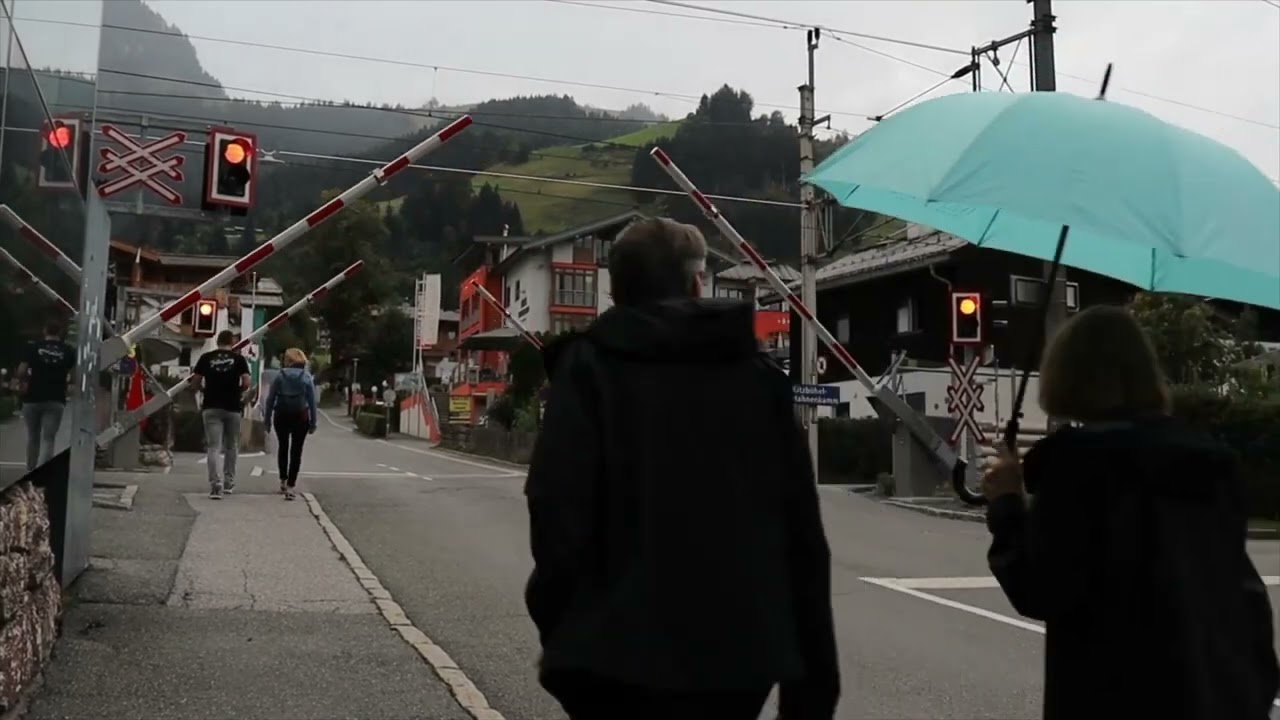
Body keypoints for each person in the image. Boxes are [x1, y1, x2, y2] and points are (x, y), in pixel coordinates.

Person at [524, 217, 839, 720]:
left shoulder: (587, 372)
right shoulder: (759, 382)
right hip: (738, 665)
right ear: (696, 283)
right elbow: (801, 541)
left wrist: (565, 636)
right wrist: (812, 691)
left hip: (610, 662)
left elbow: (556, 515)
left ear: (615, 290)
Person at [982, 305, 1279, 720]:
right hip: (1218, 696)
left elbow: (1042, 588)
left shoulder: (1076, 470)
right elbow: (1244, 596)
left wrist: (1007, 504)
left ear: (1065, 375)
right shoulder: (1209, 464)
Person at [191, 329, 251, 499]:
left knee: (213, 447)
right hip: (233, 407)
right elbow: (246, 382)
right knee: (231, 446)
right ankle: (229, 482)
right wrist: (237, 392)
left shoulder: (206, 358)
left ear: (217, 342)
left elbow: (195, 382)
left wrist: (205, 390)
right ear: (232, 342)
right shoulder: (239, 359)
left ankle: (215, 484)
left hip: (211, 406)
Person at [16, 320, 75, 470]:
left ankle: (30, 469)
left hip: (32, 398)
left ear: (45, 331)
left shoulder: (33, 347)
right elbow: (73, 374)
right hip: (56, 398)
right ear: (60, 333)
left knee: (33, 436)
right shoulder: (67, 350)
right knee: (49, 438)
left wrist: (23, 382)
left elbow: (22, 371)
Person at [264, 347, 317, 501]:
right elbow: (312, 402)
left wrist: (267, 420)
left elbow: (270, 399)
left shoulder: (279, 376)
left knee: (283, 447)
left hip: (281, 415)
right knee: (296, 450)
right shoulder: (306, 377)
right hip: (301, 417)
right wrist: (313, 422)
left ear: (288, 360)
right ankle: (291, 486)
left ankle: (282, 479)